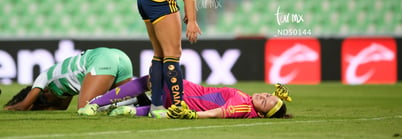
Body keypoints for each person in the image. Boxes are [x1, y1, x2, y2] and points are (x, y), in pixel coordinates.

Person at [79, 75, 293, 119]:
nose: (264, 96)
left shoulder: (243, 106)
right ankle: (130, 109)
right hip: (181, 101)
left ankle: (94, 104)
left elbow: (218, 113)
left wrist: (193, 116)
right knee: (156, 101)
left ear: (263, 114)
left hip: (184, 93)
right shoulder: (247, 103)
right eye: (267, 94)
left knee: (148, 80)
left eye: (266, 102)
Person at [3, 47, 133, 111]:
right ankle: (142, 99)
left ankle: (142, 97)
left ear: (44, 92)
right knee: (128, 100)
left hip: (101, 60)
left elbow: (24, 105)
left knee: (85, 109)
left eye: (45, 100)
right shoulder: (64, 88)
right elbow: (60, 107)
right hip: (119, 56)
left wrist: (9, 108)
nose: (54, 102)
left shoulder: (44, 77)